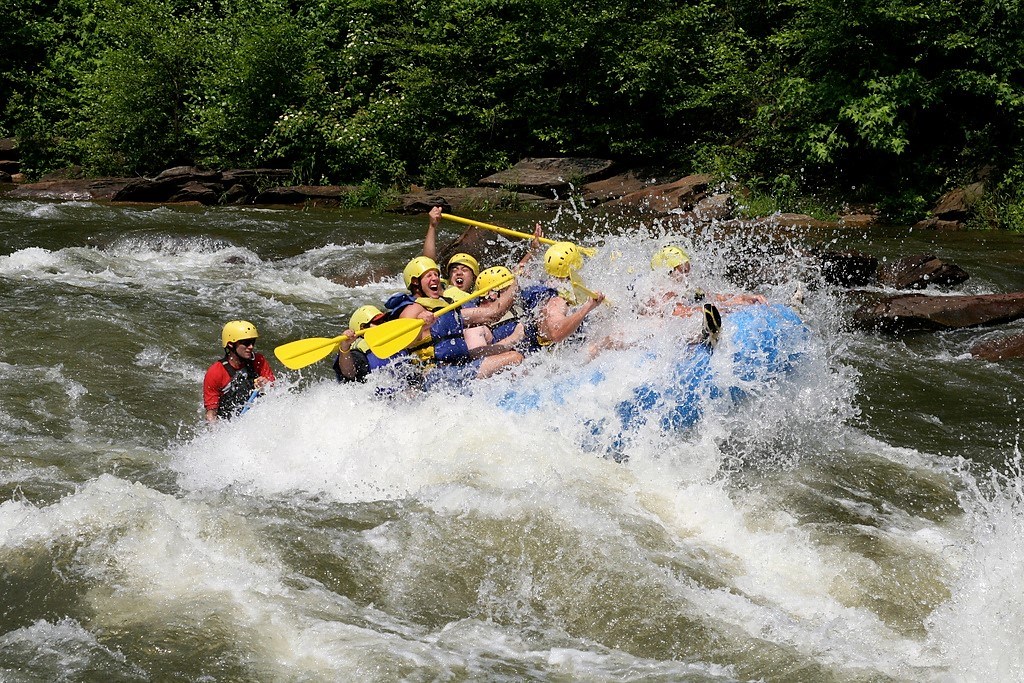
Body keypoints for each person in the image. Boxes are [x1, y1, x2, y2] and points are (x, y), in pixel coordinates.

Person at [384, 256, 523, 387]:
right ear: (415, 282)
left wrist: (517, 280)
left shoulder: (444, 307)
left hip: (458, 367)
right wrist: (419, 324)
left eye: (436, 275)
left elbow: (492, 314)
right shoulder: (412, 309)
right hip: (436, 375)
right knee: (514, 358)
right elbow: (400, 341)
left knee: (511, 357)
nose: (435, 279)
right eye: (429, 275)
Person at [203, 320, 275, 422]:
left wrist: (266, 384)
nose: (251, 347)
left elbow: (275, 389)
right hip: (230, 423)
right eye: (246, 343)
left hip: (257, 417)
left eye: (252, 342)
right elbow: (211, 414)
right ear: (231, 345)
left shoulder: (258, 360)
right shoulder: (215, 372)